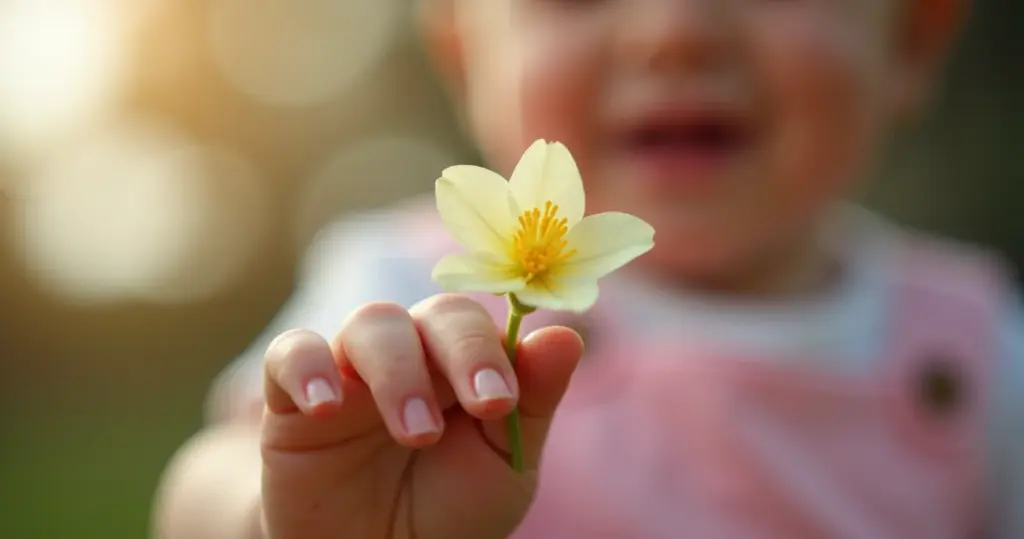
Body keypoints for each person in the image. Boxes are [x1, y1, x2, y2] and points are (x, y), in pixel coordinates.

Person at [152, 0, 1024, 537]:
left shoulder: (977, 349)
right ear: (464, 54)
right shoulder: (405, 292)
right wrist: (283, 518)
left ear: (910, 40)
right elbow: (204, 480)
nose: (675, 29)